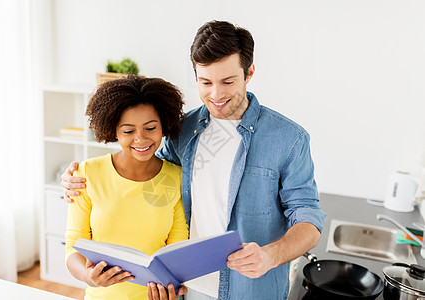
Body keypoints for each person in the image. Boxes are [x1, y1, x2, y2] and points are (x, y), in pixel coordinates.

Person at [62, 20, 326, 300]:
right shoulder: (183, 130)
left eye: (227, 81)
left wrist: (270, 256)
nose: (216, 94)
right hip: (187, 289)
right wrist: (75, 181)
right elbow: (147, 175)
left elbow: (308, 218)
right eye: (205, 82)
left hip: (250, 290)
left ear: (249, 73)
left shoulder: (288, 138)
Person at [64, 76, 189, 300]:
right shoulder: (86, 174)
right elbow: (73, 246)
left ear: (163, 125)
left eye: (150, 128)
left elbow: (176, 250)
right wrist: (87, 275)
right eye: (128, 131)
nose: (140, 139)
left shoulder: (176, 178)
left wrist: (172, 286)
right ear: (114, 130)